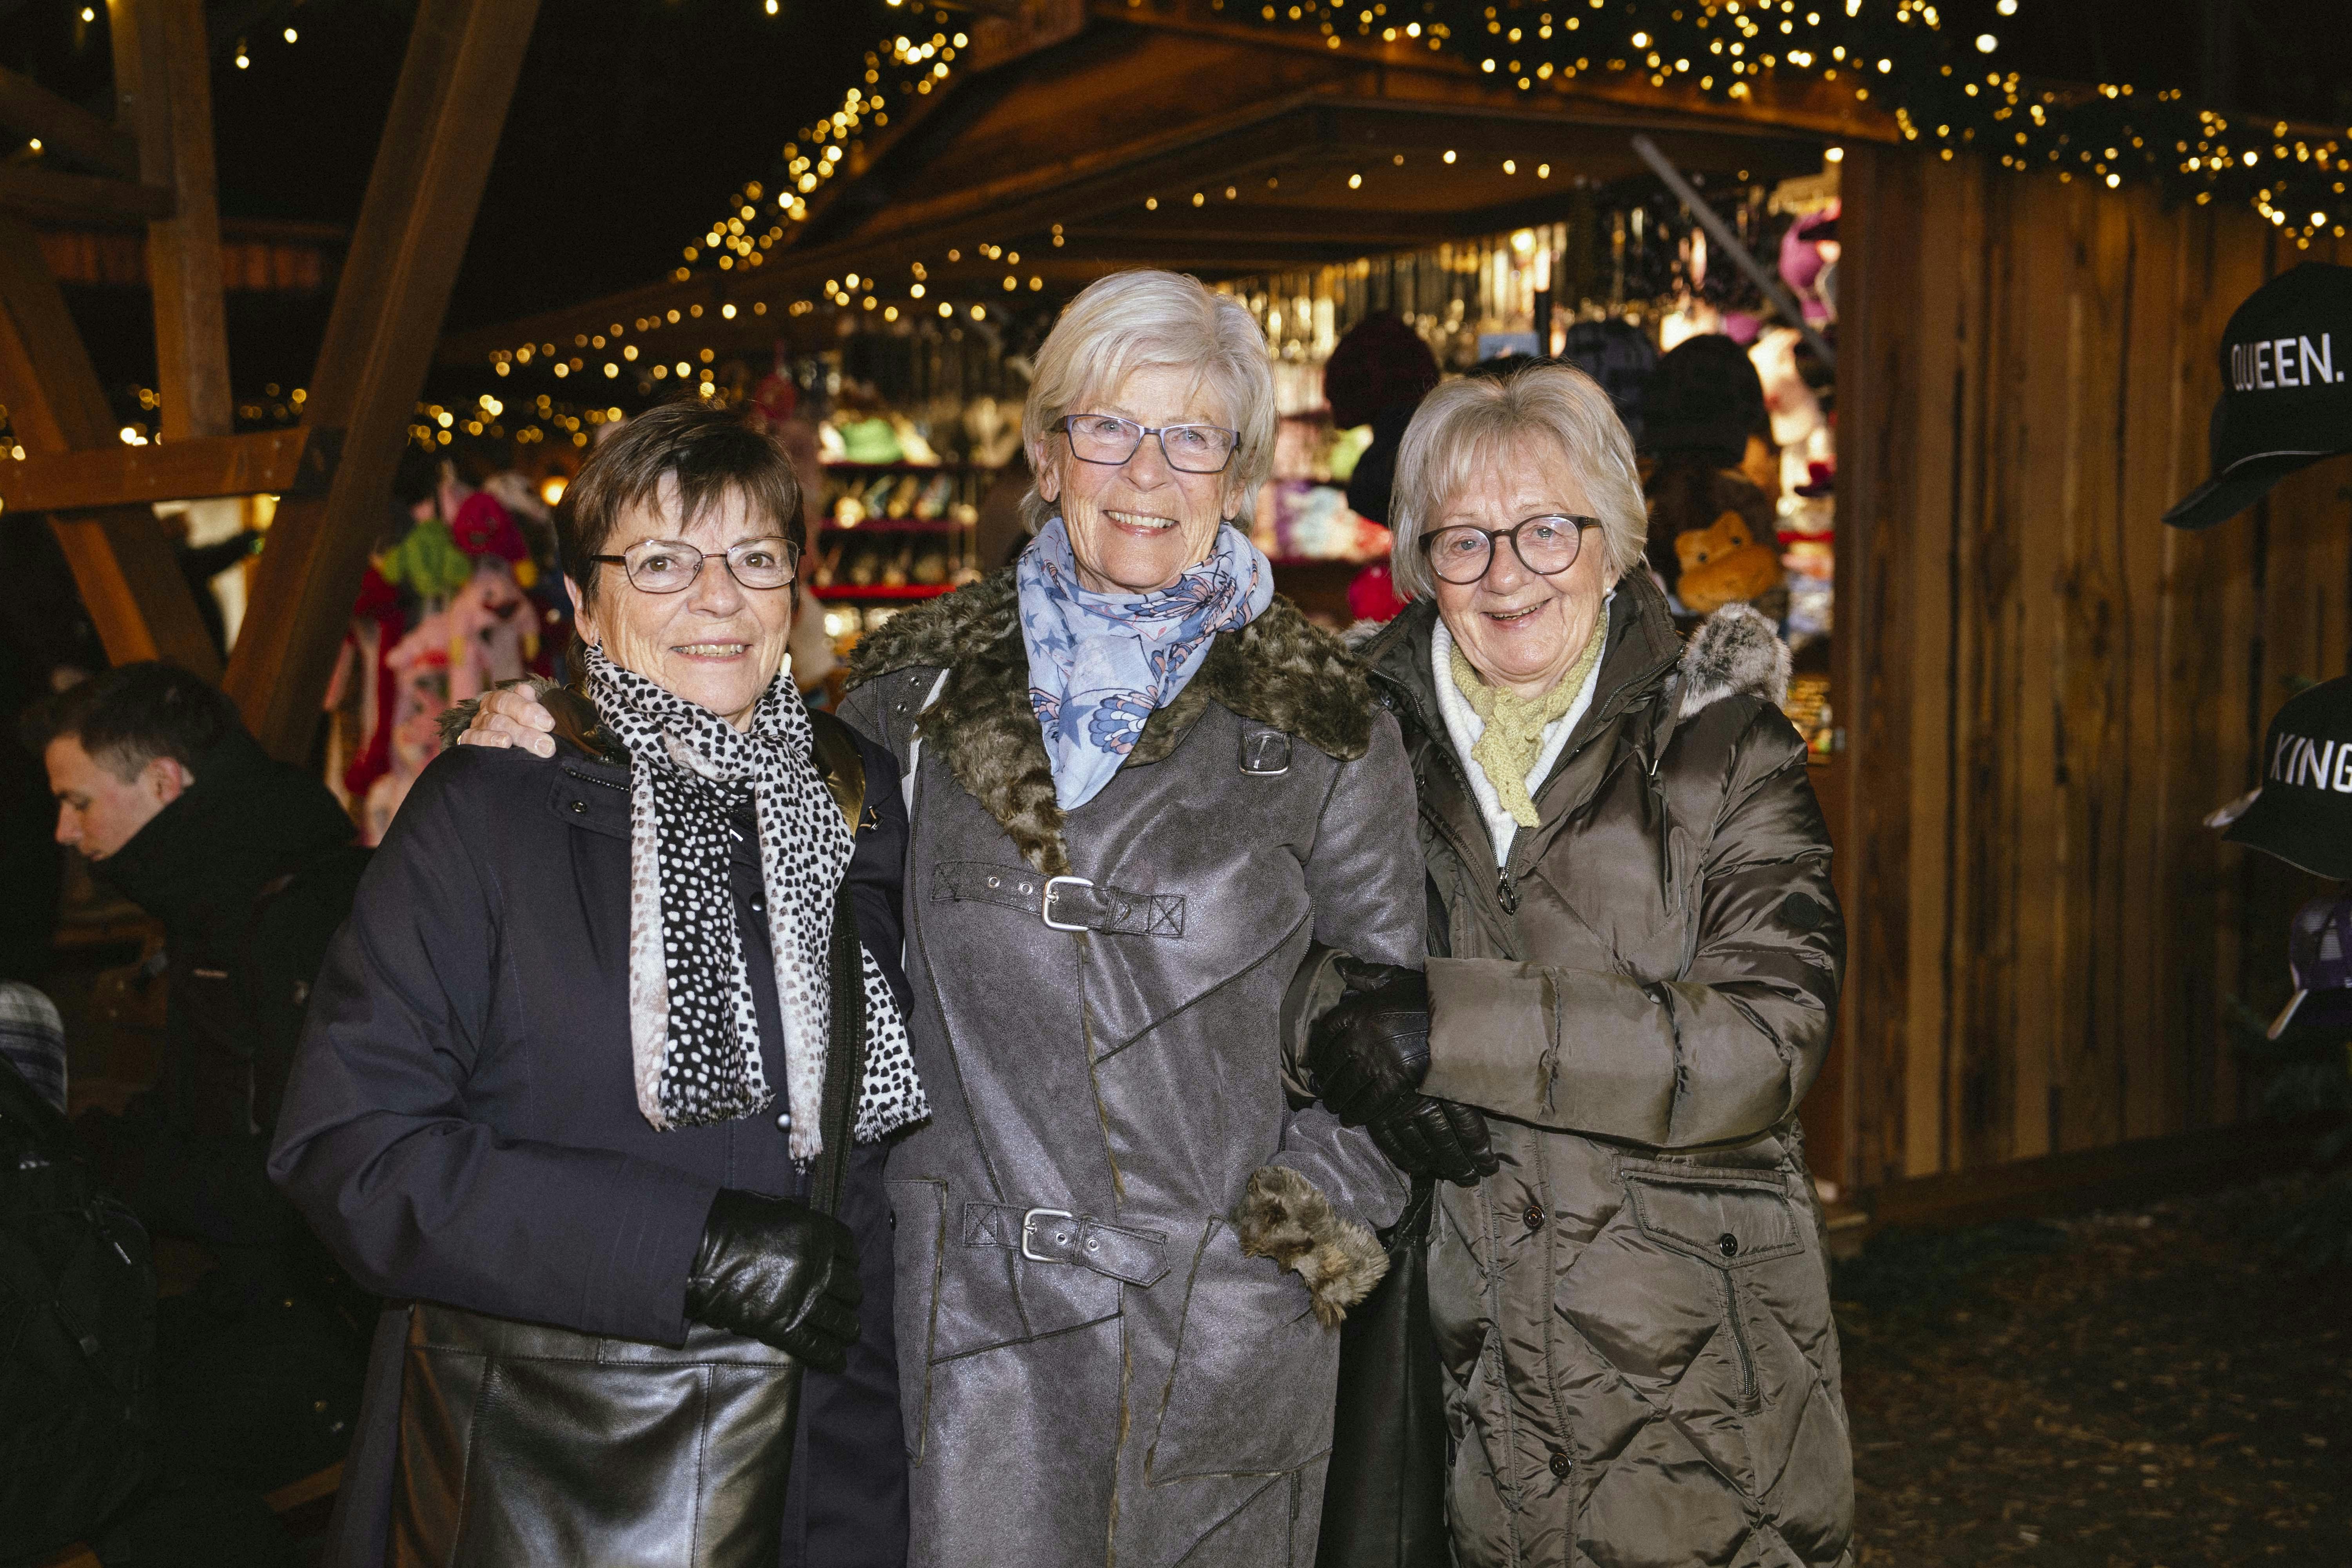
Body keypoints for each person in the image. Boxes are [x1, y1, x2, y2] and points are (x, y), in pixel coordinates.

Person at [463, 270, 1427, 1566]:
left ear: (1239, 469)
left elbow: (1388, 1037)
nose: (1145, 471)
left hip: (1228, 1333)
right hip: (971, 1334)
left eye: (1190, 436)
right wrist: (558, 733)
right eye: (1107, 428)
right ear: (1047, 454)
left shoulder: (1331, 721)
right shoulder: (913, 692)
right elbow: (731, 807)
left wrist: (1290, 1263)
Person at [270, 402, 928, 1568]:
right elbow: (354, 1151)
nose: (717, 599)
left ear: (793, 593)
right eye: (663, 563)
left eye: (754, 559)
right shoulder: (494, 807)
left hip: (828, 1465)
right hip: (567, 1460)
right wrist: (693, 1249)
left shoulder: (856, 799)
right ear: (583, 605)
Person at [1327, 361, 1853, 1566]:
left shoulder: (1724, 746)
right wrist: (1345, 1043)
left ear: (1617, 540)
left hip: (1691, 1372)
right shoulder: (1357, 738)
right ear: (1420, 562)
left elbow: (1764, 1041)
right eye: (1463, 540)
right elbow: (1288, 960)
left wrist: (1445, 1033)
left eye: (1546, 531)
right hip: (1440, 1363)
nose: (1506, 572)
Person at [33, 662, 376, 1561]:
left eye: (78, 801)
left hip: (341, 1330)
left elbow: (299, 1187)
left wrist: (94, 1167)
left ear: (163, 782)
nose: (63, 831)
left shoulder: (304, 914)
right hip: (258, 1298)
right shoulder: (220, 903)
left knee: (96, 1454)